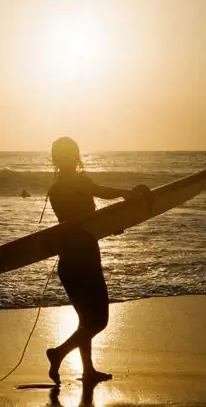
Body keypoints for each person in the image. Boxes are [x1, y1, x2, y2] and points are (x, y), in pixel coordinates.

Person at [44, 136, 151, 385]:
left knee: (86, 320)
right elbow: (101, 193)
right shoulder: (78, 183)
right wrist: (129, 194)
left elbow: (77, 223)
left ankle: (88, 370)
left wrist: (108, 227)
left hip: (69, 262)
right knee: (99, 321)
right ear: (73, 156)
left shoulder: (55, 189)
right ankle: (58, 353)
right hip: (85, 259)